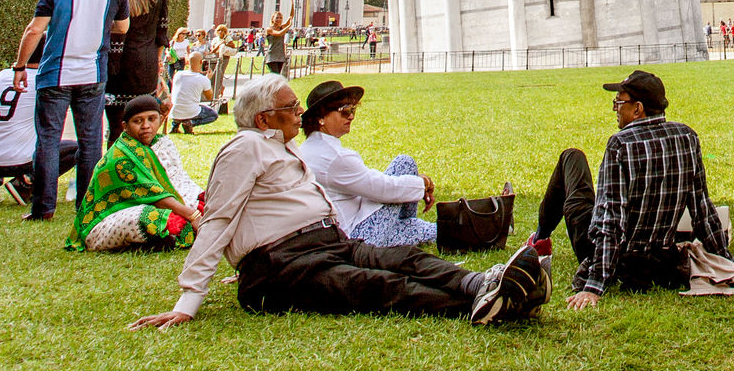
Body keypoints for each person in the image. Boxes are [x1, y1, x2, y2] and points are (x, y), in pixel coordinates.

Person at [127, 76, 546, 329]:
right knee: (377, 286)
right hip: (282, 263)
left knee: (404, 259)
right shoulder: (244, 149)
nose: (297, 113)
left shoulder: (284, 148)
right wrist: (188, 300)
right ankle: (488, 302)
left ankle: (481, 284)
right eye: (289, 107)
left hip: (325, 243)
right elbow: (217, 221)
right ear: (262, 119)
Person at [527, 70, 732, 311]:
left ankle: (539, 238)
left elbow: (610, 220)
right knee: (581, 180)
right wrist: (725, 260)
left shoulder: (621, 144)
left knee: (571, 158)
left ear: (638, 109)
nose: (615, 108)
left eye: (619, 102)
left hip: (618, 260)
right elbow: (702, 209)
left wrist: (594, 285)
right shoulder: (687, 137)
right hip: (661, 261)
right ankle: (540, 238)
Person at [11, 0, 131, 222]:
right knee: (90, 142)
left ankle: (43, 208)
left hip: (55, 74)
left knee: (48, 141)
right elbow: (122, 27)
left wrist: (19, 66)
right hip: (93, 74)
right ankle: (86, 205)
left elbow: (33, 31)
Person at [298, 80, 439, 247]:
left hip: (343, 230)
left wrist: (417, 183)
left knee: (428, 228)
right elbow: (382, 189)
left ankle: (411, 228)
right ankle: (412, 226)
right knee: (404, 164)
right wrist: (423, 183)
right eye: (344, 111)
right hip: (359, 237)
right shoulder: (333, 157)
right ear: (321, 117)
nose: (350, 116)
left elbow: (368, 183)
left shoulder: (310, 148)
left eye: (353, 110)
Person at [69, 96, 202, 252]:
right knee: (154, 219)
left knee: (203, 201)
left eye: (151, 119)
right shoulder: (120, 158)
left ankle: (159, 240)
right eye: (138, 121)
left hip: (151, 204)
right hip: (106, 219)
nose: (146, 126)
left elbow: (179, 181)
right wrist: (193, 215)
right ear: (125, 126)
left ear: (160, 120)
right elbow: (155, 196)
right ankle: (156, 241)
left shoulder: (162, 144)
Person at [0, 51, 77, 206]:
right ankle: (26, 181)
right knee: (74, 148)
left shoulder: (2, 75)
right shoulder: (46, 80)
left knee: (5, 132)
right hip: (18, 162)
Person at [104, 0, 169, 145]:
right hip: (145, 65)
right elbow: (161, 35)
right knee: (144, 124)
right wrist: (158, 62)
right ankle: (141, 165)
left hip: (116, 64)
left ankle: (116, 166)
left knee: (117, 125)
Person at [169, 53, 220, 134]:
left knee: (181, 102)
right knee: (213, 115)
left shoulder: (178, 74)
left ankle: (175, 125)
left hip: (174, 111)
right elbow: (209, 97)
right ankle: (191, 123)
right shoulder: (203, 79)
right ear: (201, 62)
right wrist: (208, 79)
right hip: (191, 111)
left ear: (187, 62)